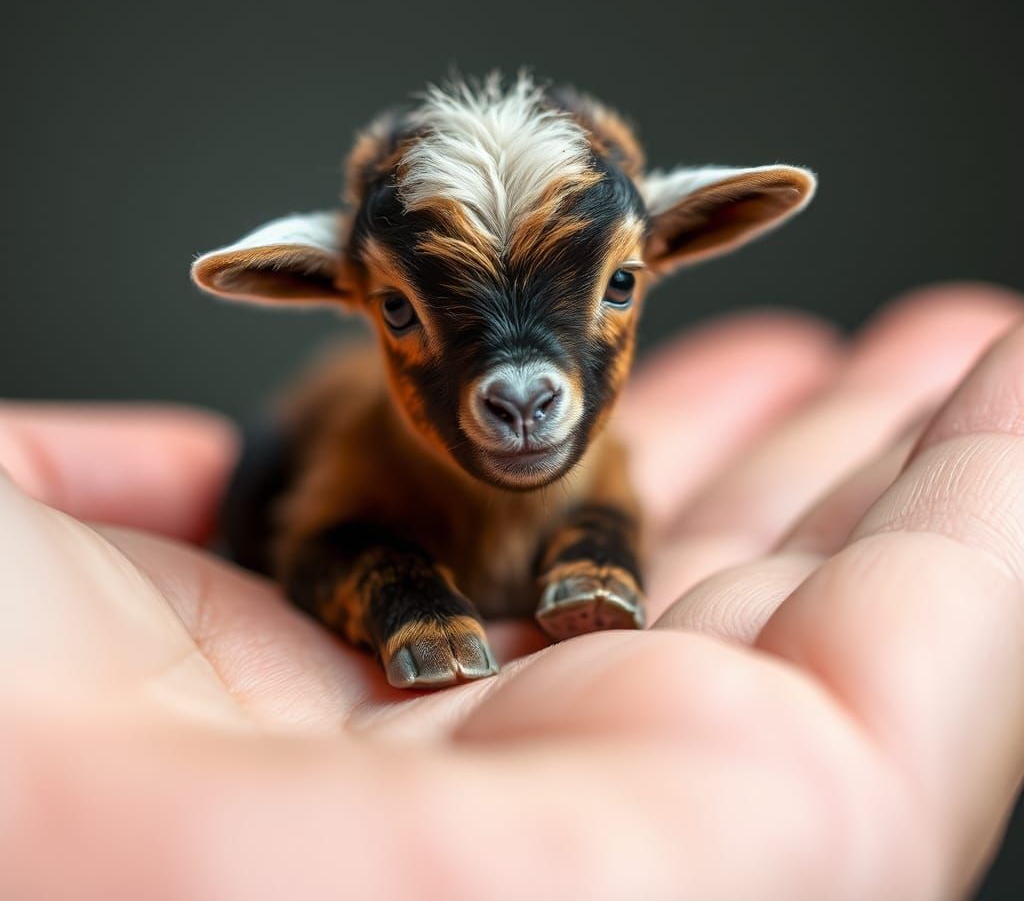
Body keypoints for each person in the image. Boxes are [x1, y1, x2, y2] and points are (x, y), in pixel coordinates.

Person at [2, 283, 1023, 900]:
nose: (524, 384)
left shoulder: (605, 463)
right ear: (357, 294)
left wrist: (598, 553)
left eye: (612, 286)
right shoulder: (345, 430)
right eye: (404, 303)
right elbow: (313, 526)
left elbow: (610, 493)